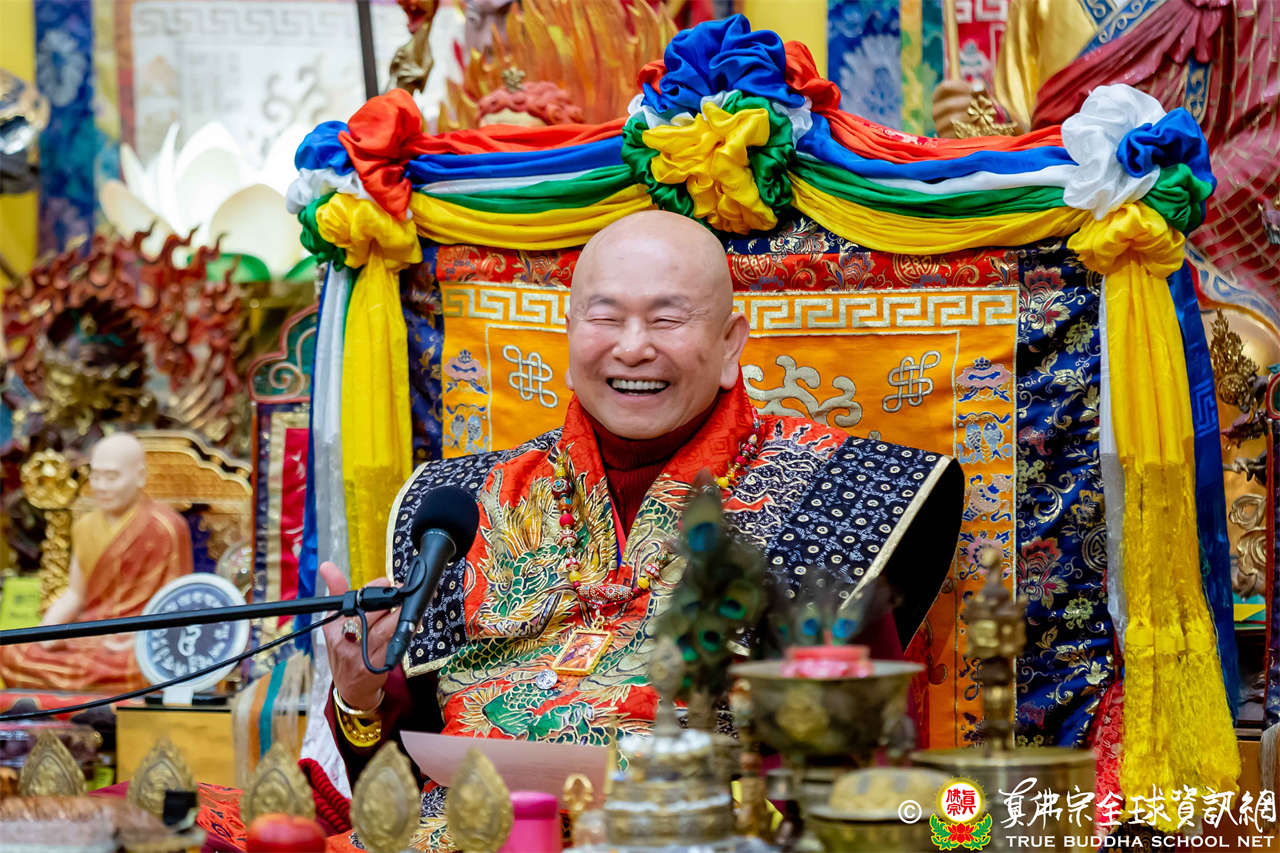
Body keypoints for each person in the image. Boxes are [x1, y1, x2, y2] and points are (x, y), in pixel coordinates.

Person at [318, 210, 962, 850]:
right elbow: (390, 782)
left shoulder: (834, 498)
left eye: (666, 319)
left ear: (731, 343)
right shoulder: (463, 504)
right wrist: (358, 695)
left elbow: (859, 784)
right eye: (605, 318)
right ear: (570, 336)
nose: (632, 347)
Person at [0, 433, 193, 691]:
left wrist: (136, 639)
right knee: (12, 652)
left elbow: (177, 605)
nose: (101, 486)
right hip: (89, 636)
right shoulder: (85, 526)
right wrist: (45, 632)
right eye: (96, 476)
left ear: (140, 477)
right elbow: (75, 594)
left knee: (146, 667)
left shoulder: (167, 527)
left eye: (111, 477)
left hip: (137, 643)